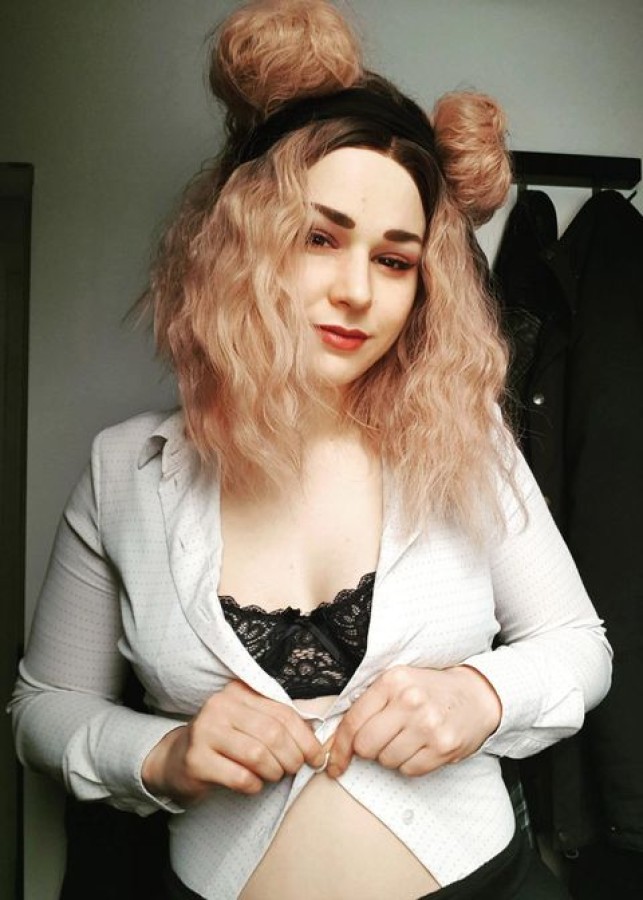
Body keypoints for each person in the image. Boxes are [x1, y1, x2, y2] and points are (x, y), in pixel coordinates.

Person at [10, 2, 612, 899]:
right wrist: (163, 752)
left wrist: (479, 696)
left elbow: (576, 645)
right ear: (237, 243)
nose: (356, 291)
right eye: (317, 238)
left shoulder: (467, 441)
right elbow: (42, 710)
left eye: (394, 260)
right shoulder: (125, 471)